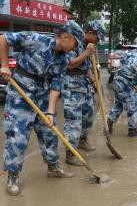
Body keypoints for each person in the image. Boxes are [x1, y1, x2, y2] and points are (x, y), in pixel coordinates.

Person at [0, 29, 79, 195]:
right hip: (20, 92)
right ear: (66, 37)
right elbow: (3, 39)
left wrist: (50, 113)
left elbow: (56, 86)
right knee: (17, 135)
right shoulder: (35, 39)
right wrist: (5, 66)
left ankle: (53, 167)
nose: (75, 48)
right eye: (75, 44)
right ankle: (13, 176)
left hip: (42, 94)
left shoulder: (63, 60)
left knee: (50, 131)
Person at [56, 20, 105, 166]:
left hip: (84, 85)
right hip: (71, 86)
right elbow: (70, 65)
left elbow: (86, 68)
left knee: (89, 115)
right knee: (73, 121)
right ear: (90, 33)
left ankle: (82, 140)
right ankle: (70, 154)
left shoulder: (87, 47)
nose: (98, 40)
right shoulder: (73, 40)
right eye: (98, 37)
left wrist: (94, 83)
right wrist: (87, 53)